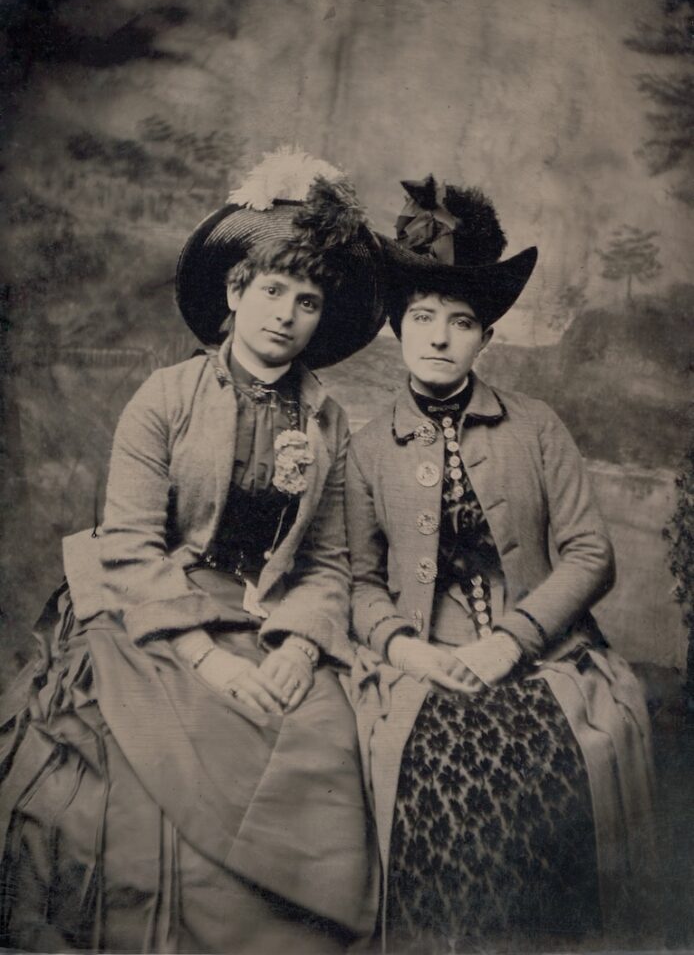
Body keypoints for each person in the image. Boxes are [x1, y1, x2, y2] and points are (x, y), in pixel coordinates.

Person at [0, 148, 385, 954]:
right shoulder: (165, 399)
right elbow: (131, 546)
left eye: (306, 300)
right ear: (235, 293)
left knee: (320, 734)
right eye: (271, 290)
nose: (285, 313)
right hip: (160, 607)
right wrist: (207, 658)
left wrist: (299, 646)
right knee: (157, 753)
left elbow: (331, 562)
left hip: (273, 614)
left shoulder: (328, 418)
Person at [345, 176, 659, 953]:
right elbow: (351, 578)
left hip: (541, 650)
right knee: (430, 753)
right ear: (398, 329)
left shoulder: (538, 427)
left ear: (487, 337)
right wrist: (406, 648)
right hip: (419, 655)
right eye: (422, 318)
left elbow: (591, 553)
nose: (440, 337)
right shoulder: (367, 444)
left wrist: (512, 641)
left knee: (551, 751)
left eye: (462, 321)